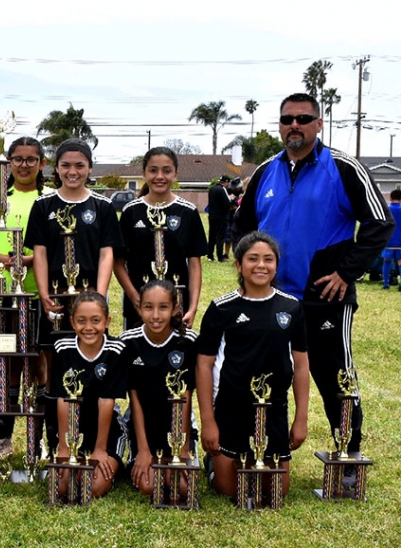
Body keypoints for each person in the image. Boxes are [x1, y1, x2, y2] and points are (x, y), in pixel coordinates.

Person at [233, 92, 394, 461]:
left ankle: (346, 455)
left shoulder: (342, 167)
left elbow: (380, 223)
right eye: (287, 119)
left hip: (325, 298)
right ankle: (263, 449)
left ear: (319, 124)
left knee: (334, 375)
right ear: (279, 125)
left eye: (303, 119)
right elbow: (242, 226)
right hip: (271, 298)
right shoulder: (265, 171)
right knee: (264, 375)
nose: (295, 125)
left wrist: (345, 272)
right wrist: (250, 273)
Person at [24, 138, 122, 450]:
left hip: (90, 304)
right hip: (55, 302)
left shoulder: (103, 207)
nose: (72, 171)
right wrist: (43, 294)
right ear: (56, 168)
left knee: (92, 365)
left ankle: (92, 439)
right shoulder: (43, 206)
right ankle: (55, 442)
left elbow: (107, 254)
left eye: (79, 165)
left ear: (90, 168)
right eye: (66, 165)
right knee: (55, 370)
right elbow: (39, 253)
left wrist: (100, 295)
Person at [195, 232, 309, 497]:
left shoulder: (291, 308)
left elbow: (301, 365)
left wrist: (301, 418)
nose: (261, 265)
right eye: (253, 259)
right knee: (230, 491)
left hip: (273, 410)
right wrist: (208, 421)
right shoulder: (222, 308)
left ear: (276, 265)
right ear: (239, 265)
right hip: (231, 409)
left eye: (268, 259)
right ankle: (214, 461)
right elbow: (203, 366)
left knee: (275, 492)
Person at [0, 136, 49, 457]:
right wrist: (4, 260)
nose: (24, 165)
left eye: (31, 160)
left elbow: (54, 246)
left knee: (39, 365)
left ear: (42, 164)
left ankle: (40, 437)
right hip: (1, 296)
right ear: (9, 163)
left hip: (37, 293)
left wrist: (30, 261)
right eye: (17, 159)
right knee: (8, 363)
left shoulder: (50, 199)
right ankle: (5, 437)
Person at [114, 147, 206, 329]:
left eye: (167, 170)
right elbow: (118, 262)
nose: (160, 176)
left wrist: (193, 307)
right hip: (139, 304)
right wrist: (133, 296)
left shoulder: (187, 212)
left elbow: (194, 264)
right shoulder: (131, 211)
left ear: (176, 174)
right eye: (153, 170)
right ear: (144, 173)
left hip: (176, 303)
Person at [121, 279, 197, 498]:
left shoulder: (188, 341)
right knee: (148, 486)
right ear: (139, 308)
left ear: (175, 308)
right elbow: (134, 399)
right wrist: (144, 450)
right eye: (148, 307)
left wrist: (181, 449)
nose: (155, 315)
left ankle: (184, 455)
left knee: (181, 489)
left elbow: (185, 396)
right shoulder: (128, 342)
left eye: (163, 307)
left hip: (179, 430)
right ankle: (140, 456)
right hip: (144, 429)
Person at [49, 291, 127, 498]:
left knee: (91, 489)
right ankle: (77, 460)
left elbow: (107, 400)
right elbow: (63, 399)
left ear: (107, 321)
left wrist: (100, 449)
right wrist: (65, 447)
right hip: (74, 429)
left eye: (96, 320)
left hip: (107, 432)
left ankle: (109, 465)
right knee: (62, 488)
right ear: (72, 322)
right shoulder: (62, 349)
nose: (89, 327)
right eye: (81, 321)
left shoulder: (116, 350)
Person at [207, 175, 232, 262]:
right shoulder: (222, 189)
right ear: (226, 182)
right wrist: (231, 199)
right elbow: (227, 203)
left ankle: (210, 255)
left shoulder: (212, 189)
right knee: (220, 237)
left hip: (212, 216)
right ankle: (220, 257)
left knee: (212, 236)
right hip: (221, 217)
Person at [380, 189, 401, 290]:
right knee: (400, 262)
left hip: (388, 240)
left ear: (390, 198)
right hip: (400, 241)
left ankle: (386, 284)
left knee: (386, 261)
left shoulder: (386, 210)